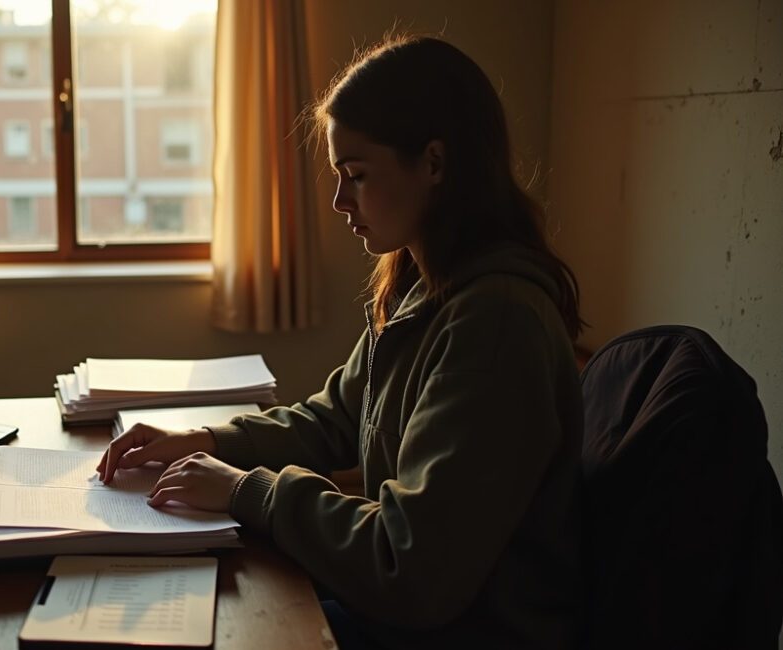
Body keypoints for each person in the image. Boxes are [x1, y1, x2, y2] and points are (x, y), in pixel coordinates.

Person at [97, 34, 585, 649]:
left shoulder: (497, 325)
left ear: (434, 164)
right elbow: (337, 419)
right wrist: (208, 441)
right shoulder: (419, 285)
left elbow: (410, 565)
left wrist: (247, 490)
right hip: (407, 616)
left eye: (356, 175)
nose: (338, 201)